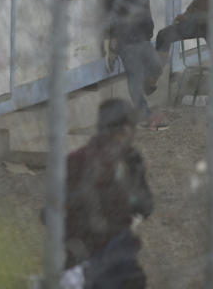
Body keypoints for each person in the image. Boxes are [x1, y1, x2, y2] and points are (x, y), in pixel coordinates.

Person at [64, 98, 154, 289]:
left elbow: (52, 210)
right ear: (126, 130)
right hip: (113, 255)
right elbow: (145, 206)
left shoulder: (76, 159)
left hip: (78, 254)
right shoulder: (128, 160)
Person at [106, 0, 166, 129]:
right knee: (134, 76)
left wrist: (149, 25)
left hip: (142, 34)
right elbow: (114, 9)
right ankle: (145, 116)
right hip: (126, 36)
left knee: (156, 65)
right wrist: (114, 38)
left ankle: (145, 93)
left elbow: (145, 4)